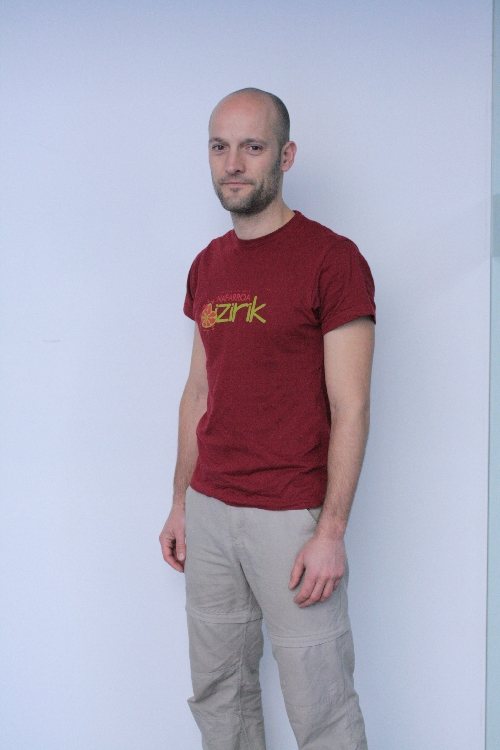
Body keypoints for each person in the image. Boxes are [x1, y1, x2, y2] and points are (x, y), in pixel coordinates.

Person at [159, 87, 375, 750]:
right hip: (210, 511)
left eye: (252, 147)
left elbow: (351, 405)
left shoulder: (332, 259)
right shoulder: (207, 264)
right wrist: (180, 503)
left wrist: (331, 531)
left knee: (322, 707)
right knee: (219, 693)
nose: (233, 164)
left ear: (285, 155)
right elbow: (199, 392)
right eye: (219, 147)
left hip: (290, 518)